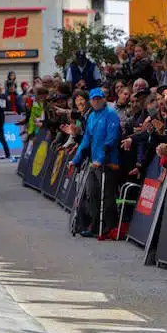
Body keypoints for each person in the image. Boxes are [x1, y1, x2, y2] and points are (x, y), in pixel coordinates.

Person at [67, 87, 121, 240]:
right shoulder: (91, 116)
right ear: (90, 101)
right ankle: (95, 225)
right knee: (91, 193)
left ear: (104, 99)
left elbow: (112, 139)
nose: (96, 101)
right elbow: (86, 140)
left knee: (107, 195)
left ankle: (109, 227)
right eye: (94, 99)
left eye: (99, 98)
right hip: (93, 162)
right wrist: (75, 160)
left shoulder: (111, 115)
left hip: (108, 163)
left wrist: (101, 159)